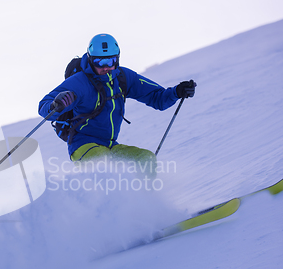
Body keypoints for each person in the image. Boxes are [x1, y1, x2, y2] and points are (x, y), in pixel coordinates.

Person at [38, 33, 196, 170]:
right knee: (104, 163)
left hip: (110, 146)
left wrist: (177, 92)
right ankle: (108, 204)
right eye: (100, 63)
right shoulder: (79, 82)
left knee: (144, 159)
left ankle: (145, 201)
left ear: (117, 59)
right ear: (91, 60)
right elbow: (44, 106)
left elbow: (157, 98)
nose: (106, 67)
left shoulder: (123, 77)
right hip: (82, 146)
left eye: (111, 61)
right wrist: (55, 106)